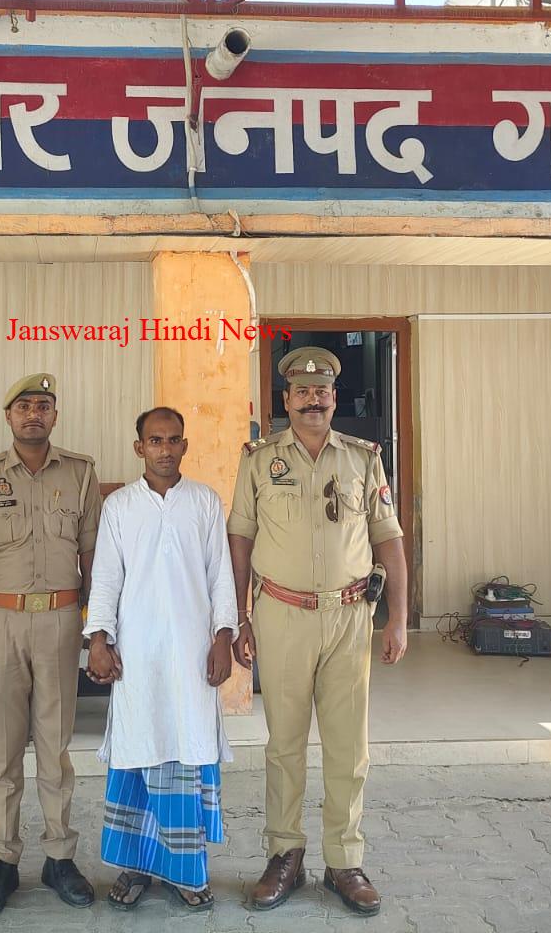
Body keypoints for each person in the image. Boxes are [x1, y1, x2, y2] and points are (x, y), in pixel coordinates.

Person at [227, 347, 409, 917]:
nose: (313, 400)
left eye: (322, 391)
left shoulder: (363, 458)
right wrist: (240, 616)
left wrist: (398, 618)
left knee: (348, 748)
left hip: (350, 618)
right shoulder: (259, 460)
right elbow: (240, 538)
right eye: (302, 392)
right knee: (284, 745)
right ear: (286, 400)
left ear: (334, 398)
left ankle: (343, 861)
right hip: (281, 615)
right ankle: (285, 854)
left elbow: (388, 539)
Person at [0, 373, 101, 916]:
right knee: (4, 751)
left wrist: (97, 631)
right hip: (0, 623)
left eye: (43, 406)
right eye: (24, 407)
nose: (34, 414)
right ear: (9, 417)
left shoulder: (80, 473)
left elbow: (95, 560)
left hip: (61, 621)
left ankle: (59, 857)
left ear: (55, 416)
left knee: (55, 749)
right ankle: (3, 860)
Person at [83, 407, 237, 911]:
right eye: (155, 440)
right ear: (140, 448)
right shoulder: (120, 506)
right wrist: (99, 640)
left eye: (173, 440)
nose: (165, 449)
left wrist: (223, 637)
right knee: (138, 751)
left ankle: (185, 872)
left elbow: (220, 576)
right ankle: (135, 867)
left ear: (185, 446)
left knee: (186, 751)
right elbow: (106, 577)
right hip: (138, 657)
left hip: (193, 656)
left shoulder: (204, 502)